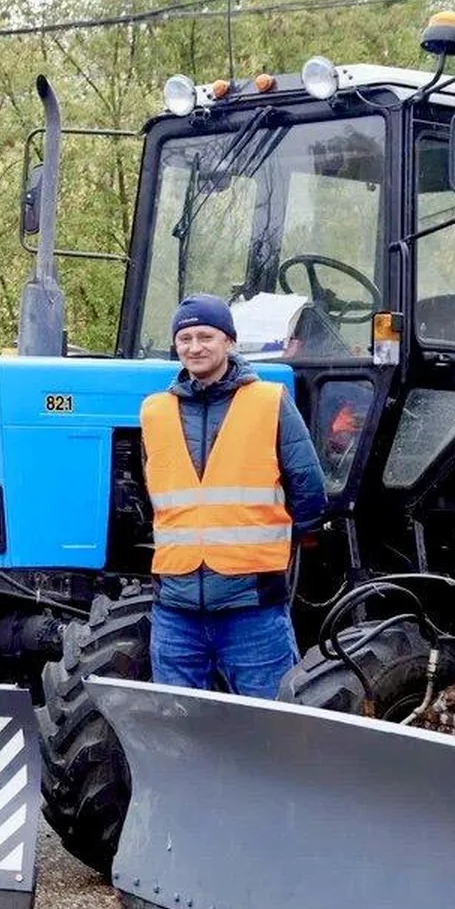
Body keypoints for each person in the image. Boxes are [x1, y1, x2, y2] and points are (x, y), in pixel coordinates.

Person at [140, 294, 328, 698]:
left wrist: (270, 553)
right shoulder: (154, 412)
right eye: (184, 338)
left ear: (230, 341)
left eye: (205, 336)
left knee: (271, 728)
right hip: (176, 609)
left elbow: (308, 490)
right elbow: (152, 491)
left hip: (251, 607)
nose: (194, 347)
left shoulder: (269, 401)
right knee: (177, 727)